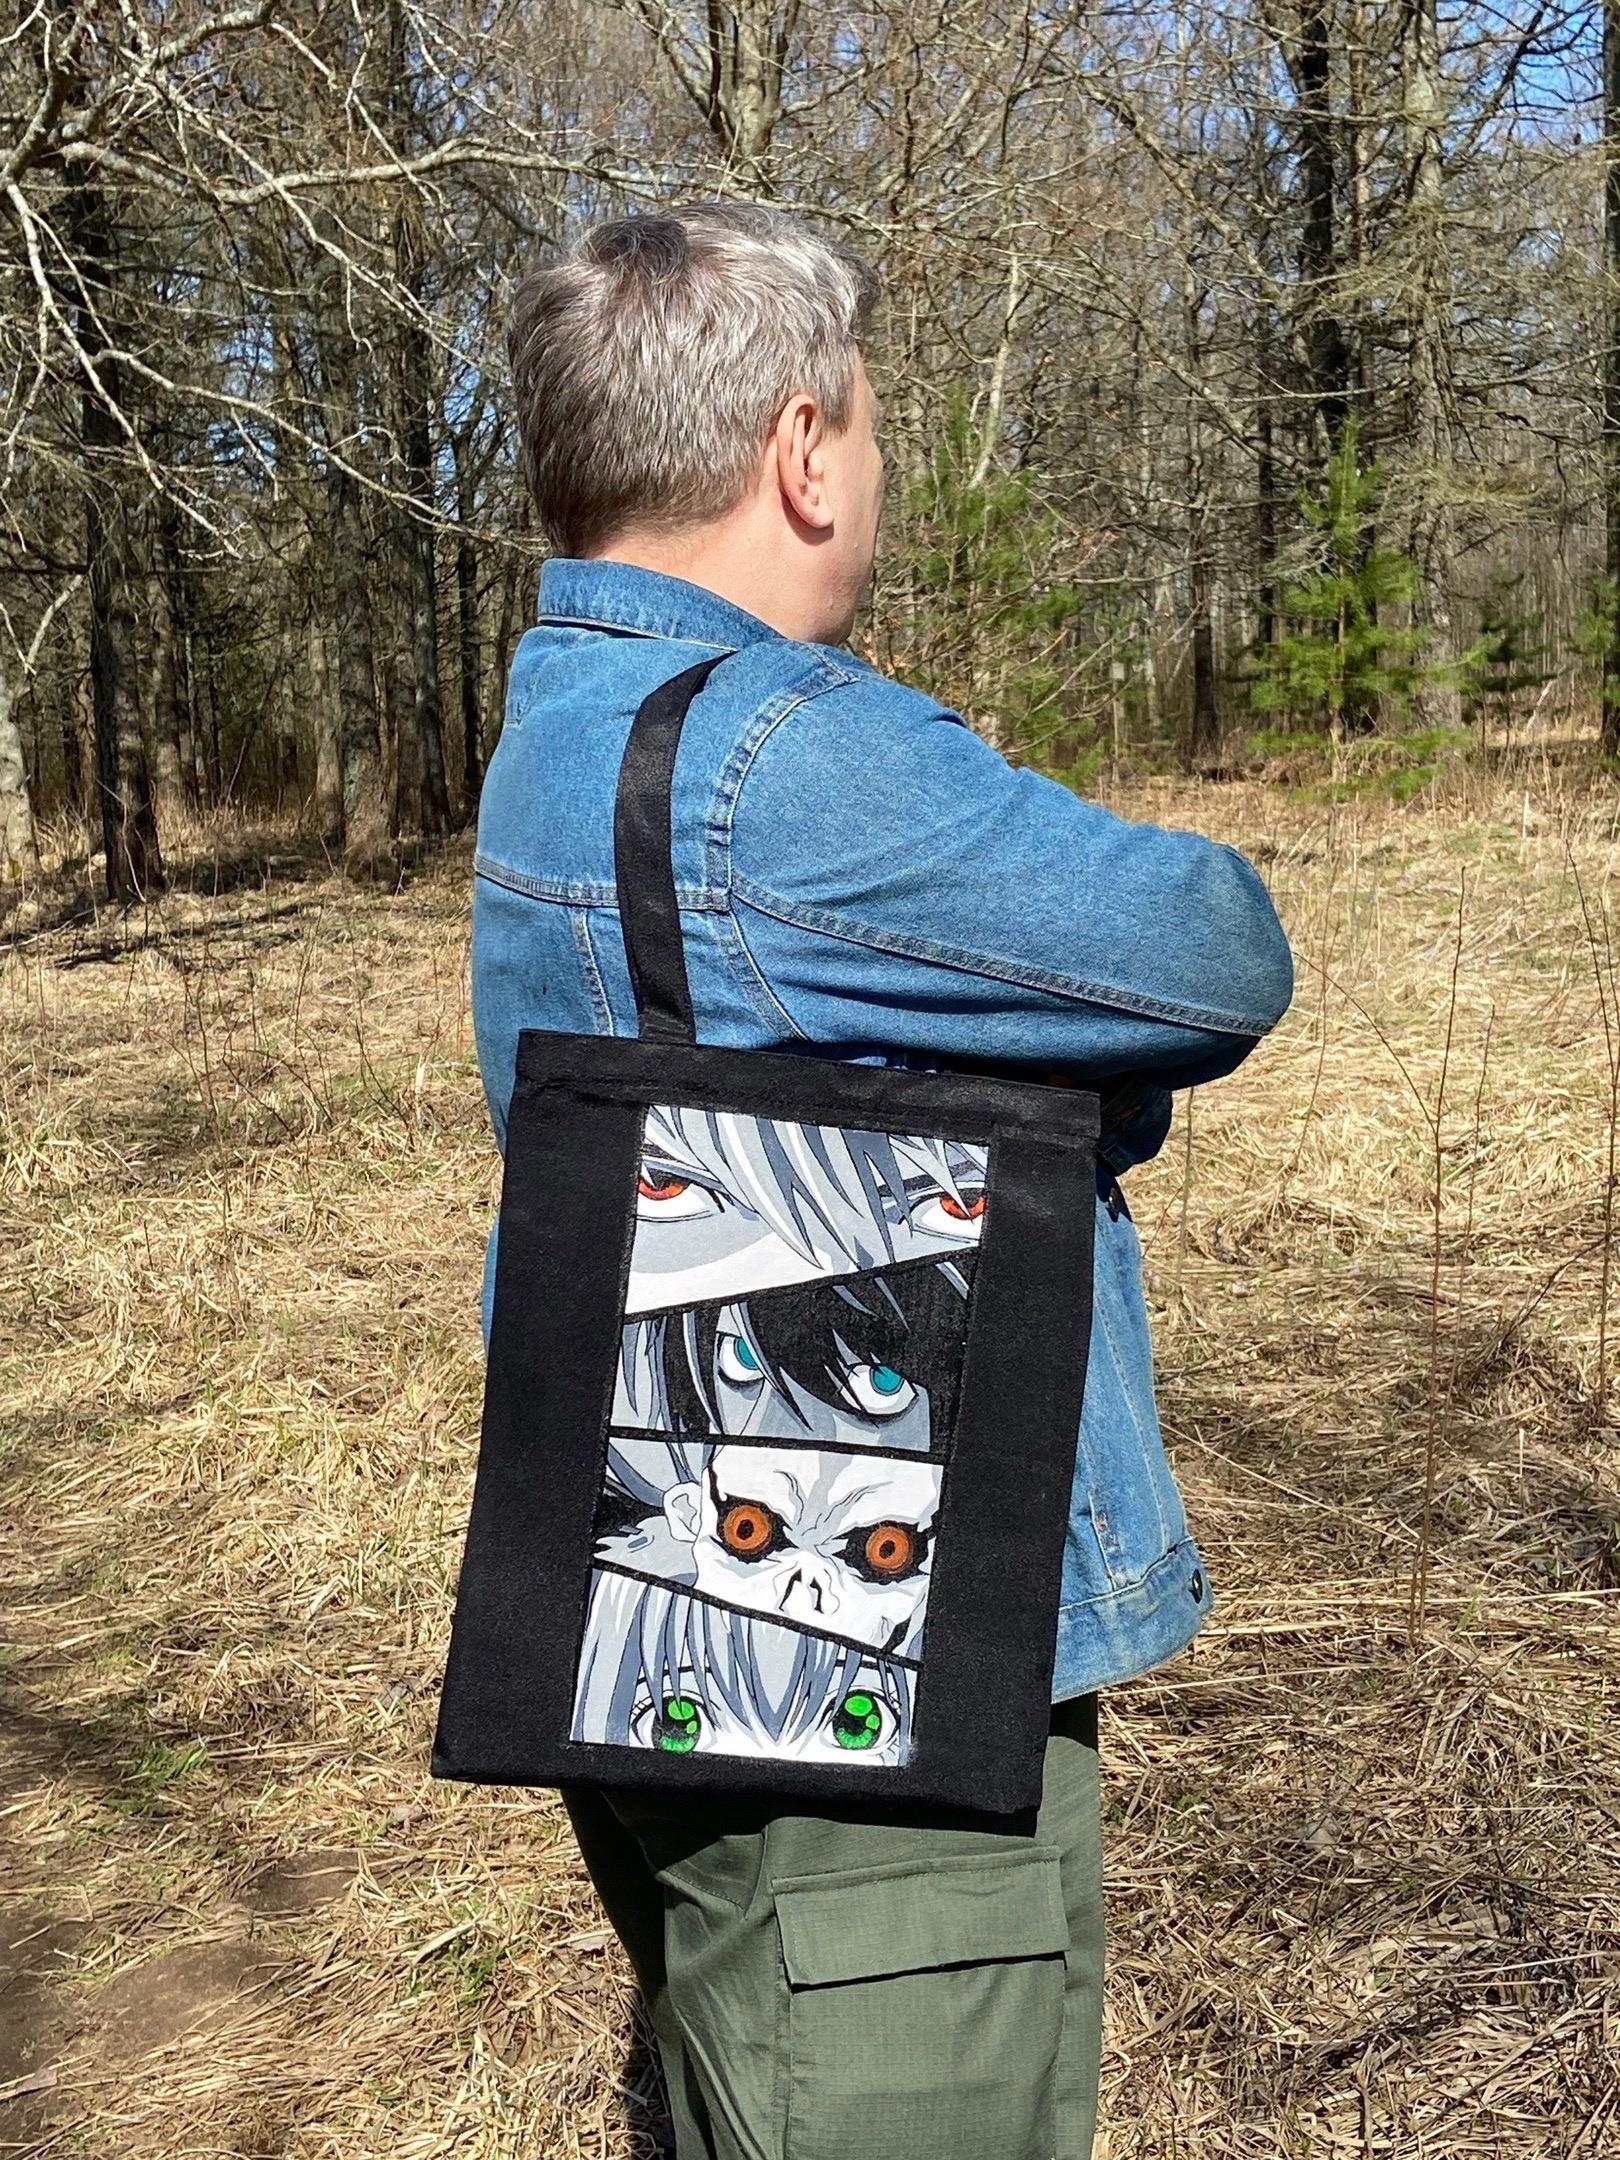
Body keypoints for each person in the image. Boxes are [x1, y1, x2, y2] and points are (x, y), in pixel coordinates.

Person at [472, 202, 1293, 2160]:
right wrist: (1065, 1099)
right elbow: (1214, 947)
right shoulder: (789, 761)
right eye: (866, 417)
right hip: (865, 1644)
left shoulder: (561, 719)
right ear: (802, 453)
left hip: (653, 1587)